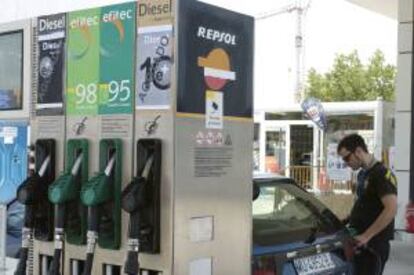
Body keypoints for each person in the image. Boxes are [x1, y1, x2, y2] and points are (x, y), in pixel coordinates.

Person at [337, 134, 397, 275]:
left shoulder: (381, 174)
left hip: (373, 245)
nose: (346, 163)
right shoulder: (363, 174)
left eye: (347, 158)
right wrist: (346, 220)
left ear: (358, 151)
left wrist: (366, 236)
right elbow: (364, 205)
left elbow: (391, 208)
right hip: (359, 242)